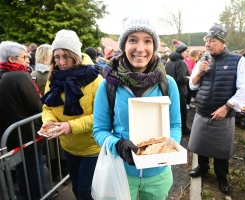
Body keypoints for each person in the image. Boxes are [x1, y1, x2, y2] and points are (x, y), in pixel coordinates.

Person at [93, 15, 181, 200]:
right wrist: (117, 145)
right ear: (123, 45)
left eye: (147, 41)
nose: (140, 49)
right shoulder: (108, 84)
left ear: (154, 46)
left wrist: (166, 149)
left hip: (158, 175)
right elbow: (99, 130)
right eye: (133, 40)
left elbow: (175, 125)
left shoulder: (168, 84)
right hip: (121, 173)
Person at [40, 29, 103, 200]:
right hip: (68, 147)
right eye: (57, 56)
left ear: (76, 54)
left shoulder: (95, 79)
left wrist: (71, 126)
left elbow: (101, 116)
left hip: (92, 148)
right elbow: (47, 107)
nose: (61, 62)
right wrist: (50, 121)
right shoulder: (53, 78)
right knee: (76, 189)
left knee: (85, 191)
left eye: (66, 56)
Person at [188, 24, 245, 194]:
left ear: (222, 42)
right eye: (206, 41)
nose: (208, 44)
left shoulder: (237, 60)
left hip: (224, 115)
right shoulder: (203, 60)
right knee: (201, 145)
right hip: (202, 111)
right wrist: (199, 72)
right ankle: (203, 167)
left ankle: (221, 176)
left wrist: (227, 107)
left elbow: (244, 89)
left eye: (212, 40)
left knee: (221, 149)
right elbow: (192, 85)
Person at [0, 41, 47, 200]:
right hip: (28, 134)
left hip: (10, 135)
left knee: (21, 168)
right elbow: (36, 105)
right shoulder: (20, 75)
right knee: (34, 169)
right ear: (12, 60)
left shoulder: (4, 75)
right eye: (24, 57)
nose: (28, 60)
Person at [165, 39, 191, 135]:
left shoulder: (168, 62)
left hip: (169, 91)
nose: (187, 53)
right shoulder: (181, 62)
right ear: (181, 51)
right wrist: (191, 79)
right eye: (186, 51)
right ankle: (184, 129)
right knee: (182, 111)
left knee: (172, 112)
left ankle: (172, 129)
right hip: (180, 91)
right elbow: (181, 78)